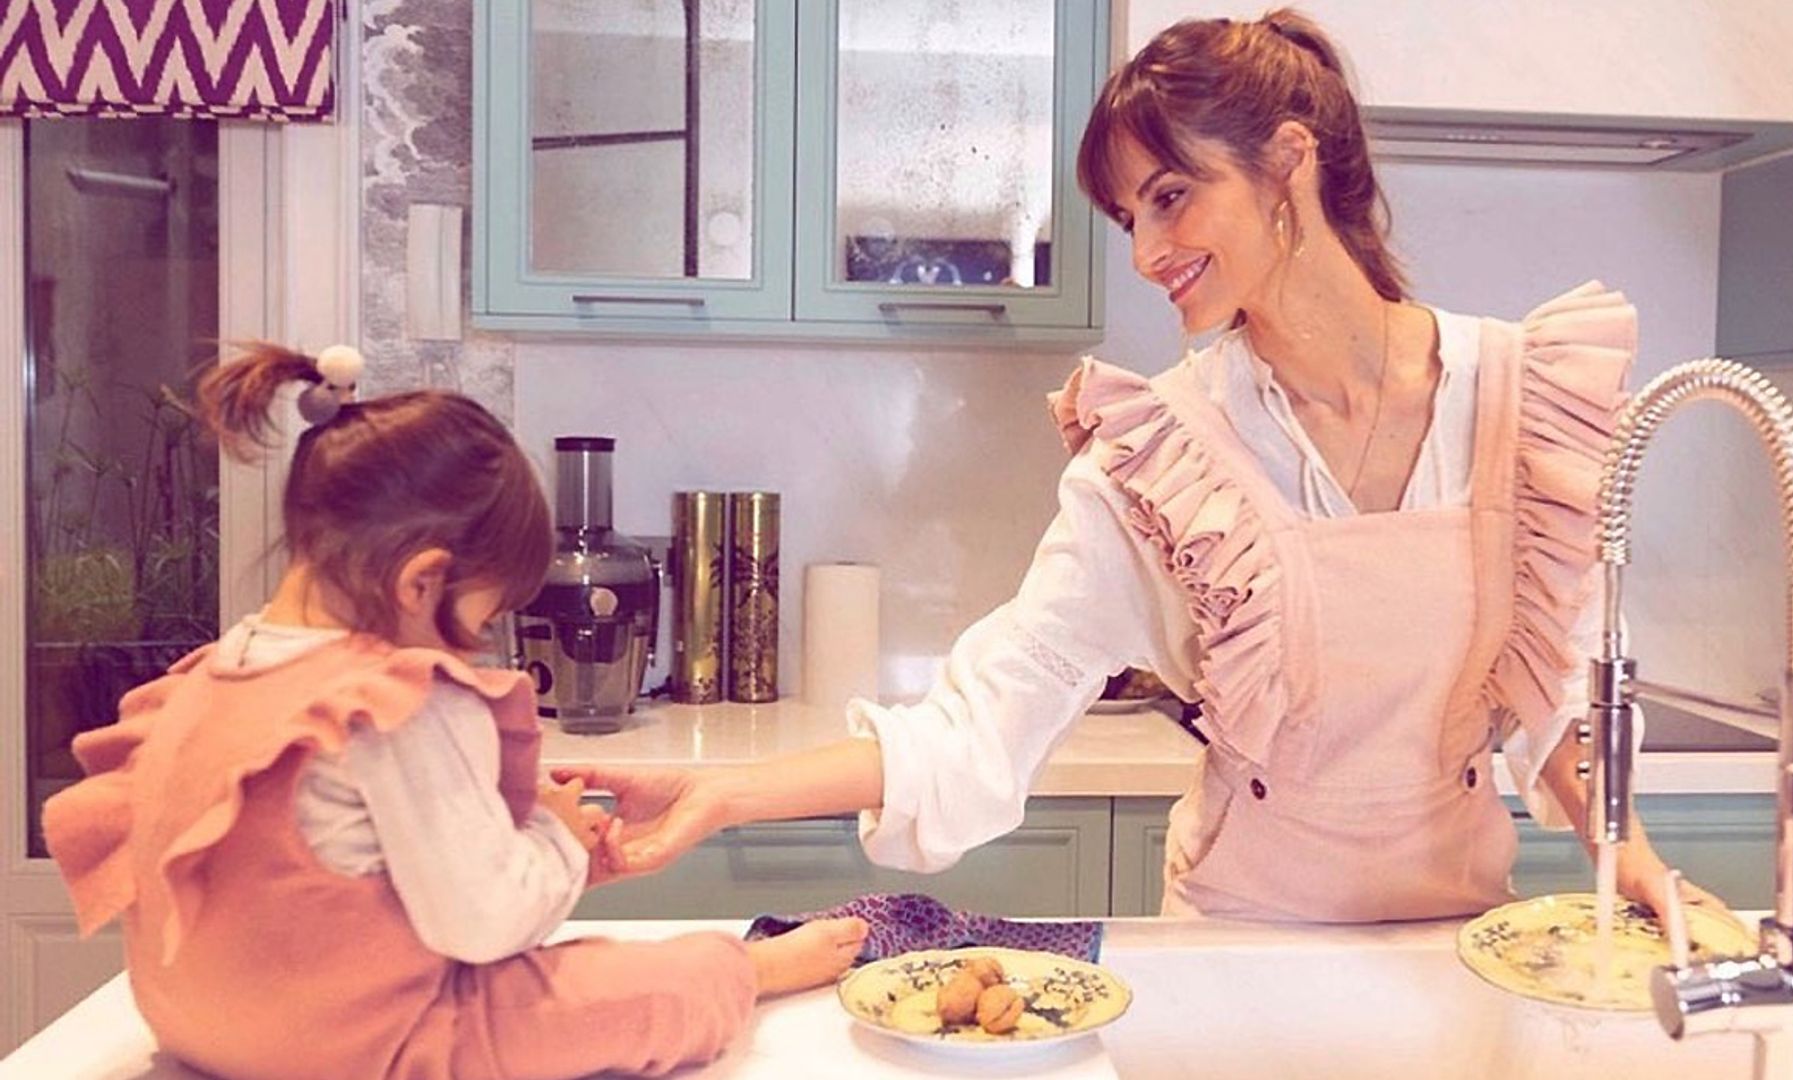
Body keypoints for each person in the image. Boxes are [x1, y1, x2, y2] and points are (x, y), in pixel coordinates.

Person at [568, 10, 1730, 929]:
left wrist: (1628, 856)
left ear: (1289, 162)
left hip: (1462, 942)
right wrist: (728, 792)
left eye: (1172, 196)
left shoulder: (1516, 399)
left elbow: (1551, 699)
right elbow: (987, 716)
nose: (1147, 251)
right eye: (1131, 215)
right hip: (1242, 949)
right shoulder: (1159, 456)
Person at [41, 342, 867, 1080]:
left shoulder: (204, 682)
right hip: (359, 1050)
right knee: (642, 978)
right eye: (479, 623)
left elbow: (326, 884)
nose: (474, 651)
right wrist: (557, 839)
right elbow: (487, 926)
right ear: (419, 582)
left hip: (203, 1032)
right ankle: (753, 971)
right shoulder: (395, 703)